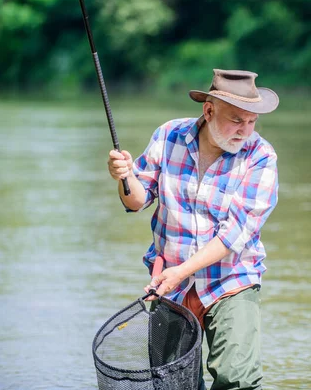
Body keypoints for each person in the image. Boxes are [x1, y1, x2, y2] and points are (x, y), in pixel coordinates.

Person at [107, 69, 279, 390]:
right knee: (173, 383)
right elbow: (136, 201)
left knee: (237, 379)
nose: (246, 130)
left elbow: (233, 236)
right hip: (170, 284)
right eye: (236, 120)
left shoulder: (261, 157)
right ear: (209, 110)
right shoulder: (168, 135)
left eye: (252, 121)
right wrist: (124, 176)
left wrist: (181, 271)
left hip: (232, 279)